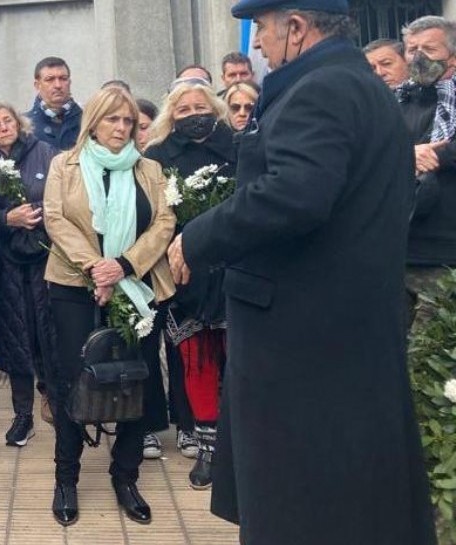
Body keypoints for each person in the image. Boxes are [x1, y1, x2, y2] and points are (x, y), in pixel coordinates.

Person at [167, 2, 436, 543]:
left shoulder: (323, 90)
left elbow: (294, 195)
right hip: (341, 329)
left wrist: (197, 238)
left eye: (262, 30)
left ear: (295, 27)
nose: (258, 46)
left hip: (302, 341)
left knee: (300, 503)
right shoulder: (360, 86)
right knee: (352, 497)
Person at [42, 86, 174, 527]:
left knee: (137, 377)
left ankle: (126, 474)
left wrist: (122, 266)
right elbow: (56, 218)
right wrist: (96, 268)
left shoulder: (150, 169)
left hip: (136, 285)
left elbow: (163, 223)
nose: (121, 129)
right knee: (72, 379)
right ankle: (66, 478)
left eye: (129, 122)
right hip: (73, 284)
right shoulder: (66, 165)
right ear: (94, 122)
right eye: (112, 120)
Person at [145, 81, 236, 488]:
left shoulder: (239, 146)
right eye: (183, 109)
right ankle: (209, 449)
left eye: (201, 105)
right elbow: (151, 215)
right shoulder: (157, 157)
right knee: (197, 361)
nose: (194, 113)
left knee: (240, 362)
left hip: (236, 269)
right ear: (171, 116)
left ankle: (241, 446)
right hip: (185, 273)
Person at [0, 101, 57, 447]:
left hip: (44, 257)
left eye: (8, 121)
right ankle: (22, 414)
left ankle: (56, 402)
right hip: (4, 263)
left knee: (47, 330)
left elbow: (61, 195)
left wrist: (34, 213)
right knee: (15, 335)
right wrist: (8, 219)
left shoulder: (45, 153)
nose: (4, 127)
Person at [399, 16, 456, 333]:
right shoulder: (396, 101)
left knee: (433, 365)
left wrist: (434, 153)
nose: (418, 57)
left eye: (429, 48)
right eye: (411, 49)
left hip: (447, 254)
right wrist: (406, 155)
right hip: (402, 248)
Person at [28, 57, 82, 151]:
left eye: (63, 78)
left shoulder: (88, 120)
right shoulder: (25, 126)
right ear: (37, 85)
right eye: (50, 79)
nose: (58, 85)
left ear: (69, 82)